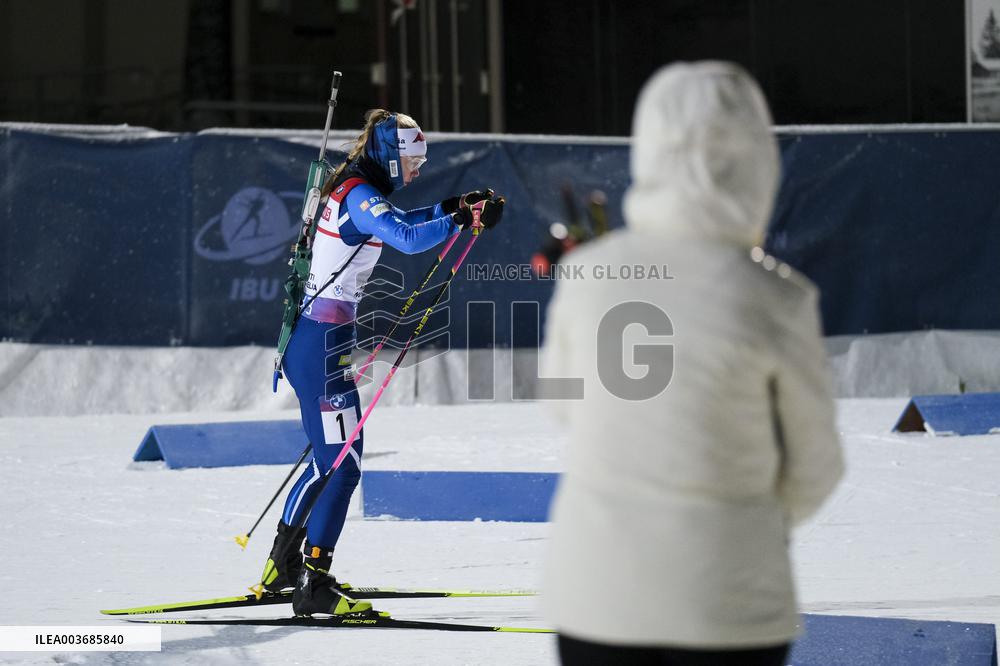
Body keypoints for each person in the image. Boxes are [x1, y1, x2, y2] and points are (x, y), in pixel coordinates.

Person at [541, 62, 844, 665]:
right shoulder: (779, 298)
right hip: (730, 603)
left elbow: (560, 402)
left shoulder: (585, 274)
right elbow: (815, 465)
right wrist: (745, 521)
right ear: (758, 162)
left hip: (595, 596)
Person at [258, 109, 505, 617]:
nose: (417, 170)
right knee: (341, 465)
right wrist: (460, 219)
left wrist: (456, 206)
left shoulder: (358, 188)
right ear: (391, 157)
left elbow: (407, 221)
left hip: (318, 345)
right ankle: (313, 582)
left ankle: (284, 565)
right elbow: (409, 239)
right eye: (413, 162)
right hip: (321, 349)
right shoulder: (358, 194)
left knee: (329, 460)